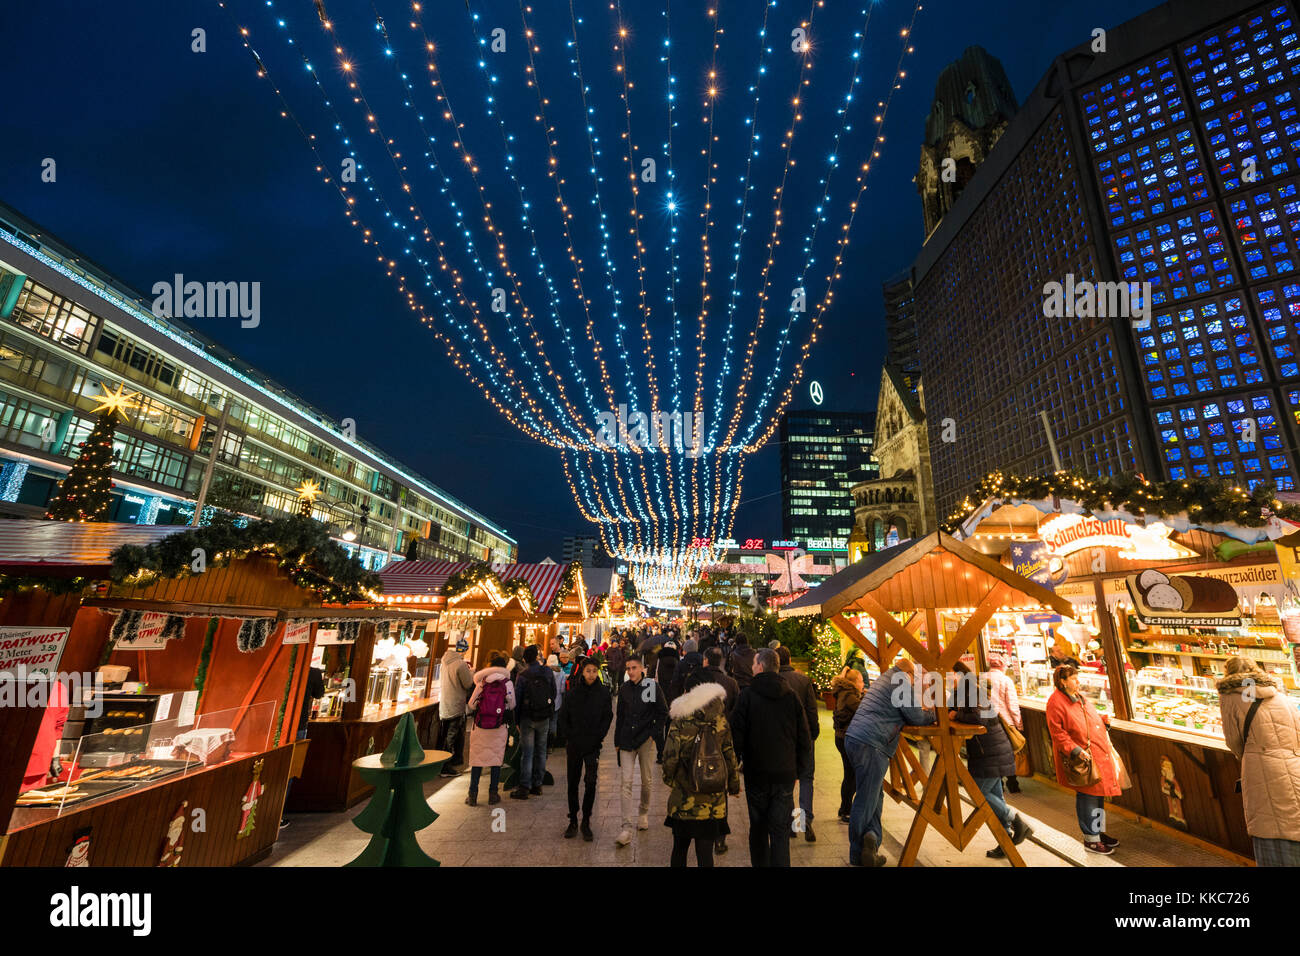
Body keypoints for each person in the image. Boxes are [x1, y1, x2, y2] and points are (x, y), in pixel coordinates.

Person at [844, 658, 936, 866]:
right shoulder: (901, 681)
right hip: (871, 744)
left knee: (875, 797)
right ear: (909, 674)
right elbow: (916, 717)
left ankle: (872, 841)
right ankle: (857, 854)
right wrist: (933, 714)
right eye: (914, 678)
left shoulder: (886, 678)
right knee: (866, 800)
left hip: (858, 739)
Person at [729, 647, 812, 867]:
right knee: (780, 831)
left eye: (754, 663)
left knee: (758, 829)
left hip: (757, 773)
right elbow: (805, 736)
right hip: (784, 774)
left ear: (761, 666)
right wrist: (799, 770)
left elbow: (736, 734)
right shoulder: (791, 696)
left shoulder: (747, 695)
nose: (752, 667)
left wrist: (733, 770)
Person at [1217, 655, 1300, 865]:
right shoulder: (1279, 694)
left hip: (1263, 769)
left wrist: (1253, 753)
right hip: (1295, 764)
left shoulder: (1231, 695)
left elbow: (1233, 741)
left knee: (1270, 825)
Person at [950, 661, 1032, 858]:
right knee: (994, 796)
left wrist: (956, 713)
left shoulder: (974, 690)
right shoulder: (961, 692)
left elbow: (981, 718)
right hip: (984, 751)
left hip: (990, 751)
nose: (945, 679)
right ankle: (1005, 842)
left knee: (978, 793)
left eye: (948, 675)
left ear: (960, 674)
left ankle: (1017, 821)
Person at [662, 673, 741, 867]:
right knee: (705, 852)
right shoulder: (720, 719)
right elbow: (729, 754)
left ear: (688, 692)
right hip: (713, 797)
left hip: (684, 796)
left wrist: (670, 779)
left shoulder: (680, 719)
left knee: (679, 848)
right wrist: (733, 784)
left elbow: (670, 756)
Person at [1045, 664, 1122, 854]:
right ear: (1062, 682)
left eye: (1077, 677)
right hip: (1081, 757)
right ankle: (1091, 839)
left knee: (1098, 795)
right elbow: (1057, 733)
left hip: (1096, 754)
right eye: (1073, 678)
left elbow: (1087, 719)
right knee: (1088, 795)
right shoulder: (1055, 702)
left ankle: (1099, 832)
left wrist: (1103, 722)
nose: (1078, 681)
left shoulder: (1079, 697)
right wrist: (1075, 750)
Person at [614, 654, 668, 846]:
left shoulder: (651, 687)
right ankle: (626, 827)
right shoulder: (625, 689)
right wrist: (617, 741)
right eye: (628, 669)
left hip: (645, 739)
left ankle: (643, 812)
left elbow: (662, 711)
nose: (631, 672)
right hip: (627, 740)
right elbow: (620, 716)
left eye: (634, 668)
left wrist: (654, 734)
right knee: (625, 782)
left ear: (642, 669)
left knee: (646, 780)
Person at [557, 657, 613, 841]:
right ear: (582, 671)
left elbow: (607, 717)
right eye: (587, 671)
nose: (590, 674)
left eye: (593, 671)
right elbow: (563, 717)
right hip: (574, 745)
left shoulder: (603, 693)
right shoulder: (573, 693)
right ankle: (573, 819)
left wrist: (599, 736)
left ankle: (586, 821)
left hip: (593, 745)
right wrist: (569, 736)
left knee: (590, 782)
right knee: (573, 782)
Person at [776, 645, 821, 843]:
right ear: (791, 660)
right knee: (806, 778)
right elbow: (812, 710)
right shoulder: (803, 680)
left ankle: (790, 822)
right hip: (805, 737)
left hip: (784, 739)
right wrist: (814, 732)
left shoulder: (776, 682)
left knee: (786, 779)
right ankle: (805, 819)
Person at [464, 653, 516, 806]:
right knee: (495, 759)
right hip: (499, 726)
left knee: (477, 760)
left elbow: (471, 704)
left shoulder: (482, 682)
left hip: (480, 725)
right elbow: (512, 704)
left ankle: (472, 794)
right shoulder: (507, 683)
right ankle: (493, 794)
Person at [510, 645, 555, 800]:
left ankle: (524, 786)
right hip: (544, 716)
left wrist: (517, 720)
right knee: (541, 751)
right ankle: (538, 784)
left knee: (527, 753)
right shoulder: (547, 672)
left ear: (524, 659)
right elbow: (553, 692)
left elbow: (517, 699)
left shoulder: (522, 675)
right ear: (537, 656)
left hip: (527, 718)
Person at [830, 666, 864, 823]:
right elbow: (863, 711)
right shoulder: (850, 696)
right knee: (852, 775)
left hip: (841, 737)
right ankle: (847, 810)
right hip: (846, 738)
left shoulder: (844, 692)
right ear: (854, 682)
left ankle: (844, 808)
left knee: (850, 773)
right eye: (861, 681)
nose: (863, 683)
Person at [986, 654, 1023, 793]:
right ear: (1002, 666)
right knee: (1008, 753)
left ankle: (999, 783)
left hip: (988, 720)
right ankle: (1013, 783)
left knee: (993, 753)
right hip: (1005, 721)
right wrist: (1018, 723)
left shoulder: (982, 678)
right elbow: (1012, 704)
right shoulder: (1005, 680)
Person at [438, 639, 475, 776]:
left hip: (445, 703)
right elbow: (467, 684)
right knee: (451, 737)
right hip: (456, 704)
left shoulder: (444, 661)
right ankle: (445, 767)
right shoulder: (460, 664)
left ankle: (445, 762)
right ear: (465, 650)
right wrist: (472, 674)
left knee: (445, 735)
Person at [699, 646, 739, 716]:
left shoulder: (697, 679)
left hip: (701, 724)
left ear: (706, 660)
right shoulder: (732, 683)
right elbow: (737, 707)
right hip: (724, 723)